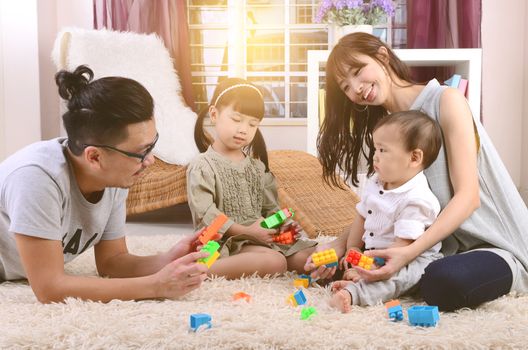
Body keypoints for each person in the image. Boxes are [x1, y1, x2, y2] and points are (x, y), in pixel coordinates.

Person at [306, 32, 528, 311]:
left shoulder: (447, 100)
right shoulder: (387, 131)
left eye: (358, 72)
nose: (356, 89)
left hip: (493, 243)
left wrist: (407, 253)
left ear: (382, 56)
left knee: (443, 284)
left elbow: (468, 197)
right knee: (343, 268)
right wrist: (339, 246)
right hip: (437, 249)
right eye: (346, 87)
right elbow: (383, 204)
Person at [0, 65, 209, 303]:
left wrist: (168, 259)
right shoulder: (36, 178)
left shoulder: (113, 179)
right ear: (94, 157)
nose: (150, 160)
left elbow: (113, 262)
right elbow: (49, 288)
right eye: (142, 152)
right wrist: (155, 286)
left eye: (153, 145)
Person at [187, 78, 317, 279]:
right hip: (224, 241)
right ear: (214, 114)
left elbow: (271, 209)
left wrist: (283, 224)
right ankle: (199, 270)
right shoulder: (202, 166)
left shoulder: (257, 168)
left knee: (310, 257)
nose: (243, 130)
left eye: (252, 124)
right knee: (275, 262)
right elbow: (206, 214)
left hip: (261, 237)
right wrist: (247, 232)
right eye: (236, 120)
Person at [330, 110, 443, 312]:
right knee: (341, 265)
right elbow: (362, 215)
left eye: (383, 150)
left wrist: (373, 268)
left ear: (414, 157)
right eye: (375, 149)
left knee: (395, 279)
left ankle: (355, 294)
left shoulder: (417, 199)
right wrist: (353, 249)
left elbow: (401, 249)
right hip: (378, 252)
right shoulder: (377, 181)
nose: (375, 156)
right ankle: (360, 280)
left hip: (408, 258)